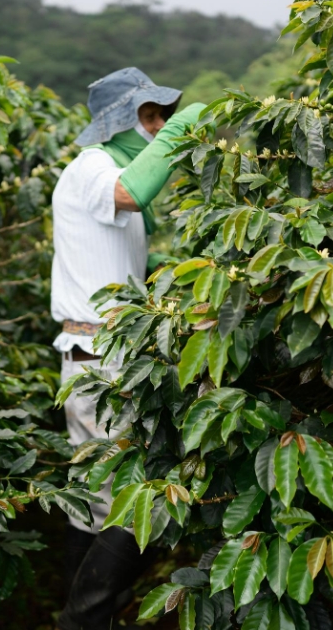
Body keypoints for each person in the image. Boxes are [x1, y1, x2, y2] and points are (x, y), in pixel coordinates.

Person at [50, 67, 206, 630]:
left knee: (97, 503)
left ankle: (83, 619)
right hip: (102, 361)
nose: (159, 124)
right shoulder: (93, 169)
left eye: (164, 115)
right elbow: (133, 192)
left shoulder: (105, 169)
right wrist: (183, 129)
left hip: (106, 356)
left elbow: (120, 268)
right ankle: (82, 621)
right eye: (150, 115)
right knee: (135, 500)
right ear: (119, 120)